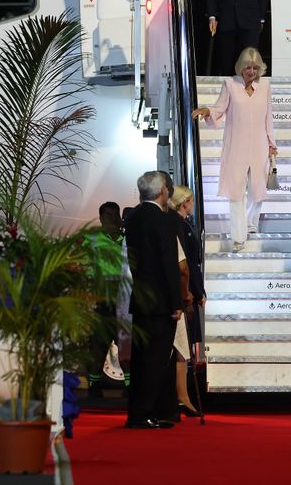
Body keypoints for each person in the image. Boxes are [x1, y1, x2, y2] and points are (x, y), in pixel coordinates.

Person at [192, 47, 277, 252]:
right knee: (236, 192)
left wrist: (272, 145)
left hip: (259, 146)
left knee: (258, 190)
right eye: (248, 67)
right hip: (236, 146)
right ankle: (239, 237)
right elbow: (219, 109)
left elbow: (269, 118)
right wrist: (206, 111)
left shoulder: (265, 87)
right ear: (241, 67)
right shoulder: (230, 84)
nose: (251, 71)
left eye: (255, 68)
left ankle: (250, 223)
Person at [124, 171, 184, 429]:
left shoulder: (134, 216)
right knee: (156, 360)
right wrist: (176, 303)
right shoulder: (162, 219)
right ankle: (145, 413)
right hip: (160, 301)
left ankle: (138, 410)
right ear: (162, 192)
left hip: (140, 298)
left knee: (140, 359)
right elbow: (168, 264)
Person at [169, 185, 205, 417]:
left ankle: (182, 394)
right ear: (185, 202)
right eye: (191, 201)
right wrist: (195, 293)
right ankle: (181, 395)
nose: (193, 205)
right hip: (186, 291)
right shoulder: (179, 227)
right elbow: (187, 265)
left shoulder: (184, 225)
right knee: (182, 345)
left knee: (186, 344)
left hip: (190, 287)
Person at [87, 201, 127, 397]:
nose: (113, 219)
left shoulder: (126, 238)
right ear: (101, 218)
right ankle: (94, 385)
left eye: (115, 215)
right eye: (109, 215)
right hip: (102, 298)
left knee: (125, 344)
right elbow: (83, 264)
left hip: (124, 299)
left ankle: (130, 385)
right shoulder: (92, 239)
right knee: (99, 344)